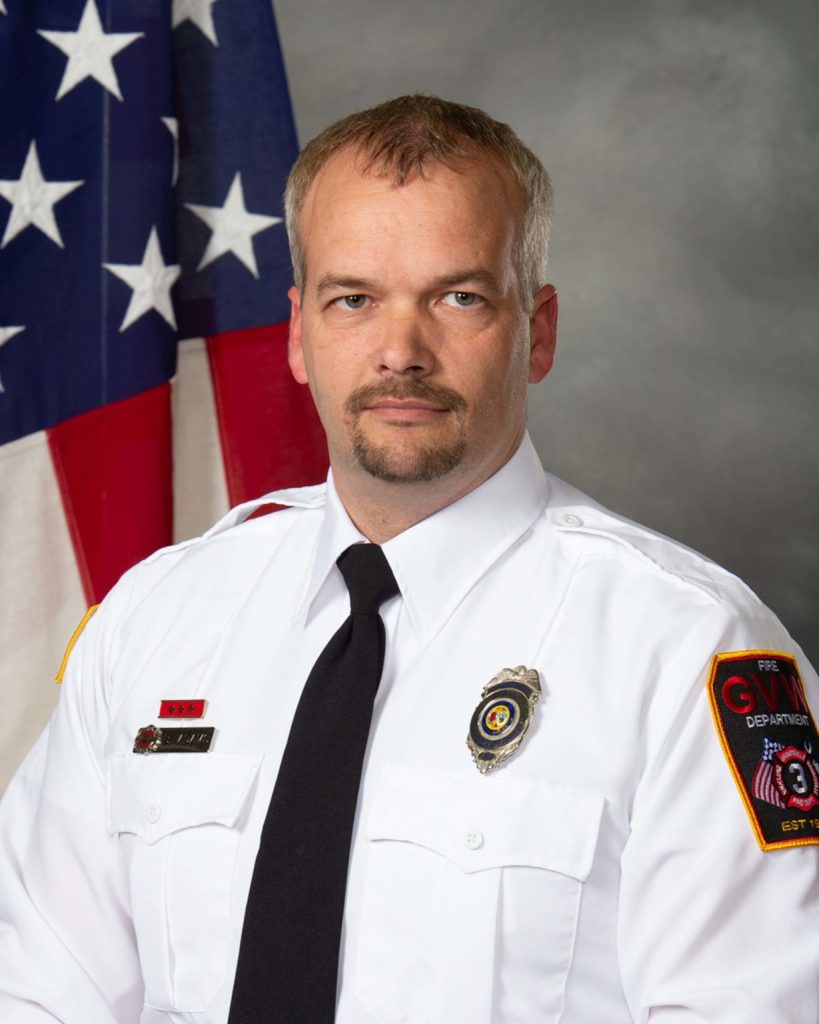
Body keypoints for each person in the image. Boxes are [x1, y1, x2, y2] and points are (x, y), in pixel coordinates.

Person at [1, 94, 817, 1023]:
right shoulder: (154, 622)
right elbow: (39, 994)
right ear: (298, 335)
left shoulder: (682, 647)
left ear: (536, 332)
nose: (400, 352)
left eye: (457, 298)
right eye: (353, 301)